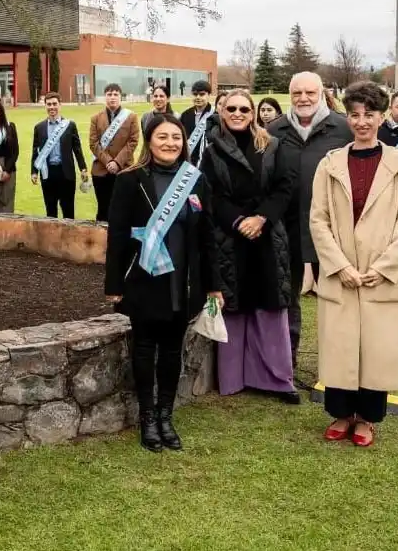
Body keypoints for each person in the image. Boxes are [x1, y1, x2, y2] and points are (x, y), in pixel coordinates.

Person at [309, 81, 398, 447]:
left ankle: (368, 419)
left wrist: (385, 266)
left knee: (376, 348)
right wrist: (338, 265)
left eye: (369, 115)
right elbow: (318, 220)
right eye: (354, 114)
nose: (361, 122)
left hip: (380, 276)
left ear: (381, 116)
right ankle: (342, 414)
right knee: (341, 345)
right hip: (342, 273)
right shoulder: (330, 165)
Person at [104, 114, 222, 452]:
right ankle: (147, 418)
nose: (170, 143)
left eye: (176, 137)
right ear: (149, 141)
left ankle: (166, 416)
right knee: (143, 349)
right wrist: (114, 283)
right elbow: (116, 237)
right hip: (144, 278)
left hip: (183, 281)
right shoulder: (130, 180)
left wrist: (213, 285)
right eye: (162, 137)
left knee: (172, 351)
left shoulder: (195, 180)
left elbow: (207, 237)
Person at [201, 90, 299, 403]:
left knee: (270, 306)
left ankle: (276, 379)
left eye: (245, 108)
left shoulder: (271, 144)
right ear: (221, 110)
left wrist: (261, 219)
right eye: (232, 108)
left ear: (254, 112)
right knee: (235, 305)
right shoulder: (211, 150)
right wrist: (238, 221)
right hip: (231, 238)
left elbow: (285, 187)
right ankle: (234, 377)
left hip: (267, 236)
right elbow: (210, 194)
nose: (238, 113)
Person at [266, 71, 353, 371]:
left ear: (321, 94)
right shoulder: (272, 130)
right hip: (285, 228)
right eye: (297, 93)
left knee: (334, 298)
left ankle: (336, 364)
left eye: (310, 93)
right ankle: (286, 361)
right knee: (286, 297)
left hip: (331, 230)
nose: (303, 99)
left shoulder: (343, 128)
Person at [30, 92, 89, 219]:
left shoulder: (70, 125)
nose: (52, 107)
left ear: (60, 105)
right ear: (45, 106)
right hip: (48, 173)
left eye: (54, 104)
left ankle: (69, 238)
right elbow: (36, 151)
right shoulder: (39, 128)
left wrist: (83, 169)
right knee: (50, 211)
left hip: (66, 173)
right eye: (49, 104)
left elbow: (77, 149)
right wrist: (34, 171)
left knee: (68, 211)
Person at [88, 84, 139, 222]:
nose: (112, 97)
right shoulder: (95, 118)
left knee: (123, 209)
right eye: (109, 94)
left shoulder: (131, 117)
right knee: (103, 209)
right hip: (100, 171)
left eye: (115, 94)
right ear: (105, 97)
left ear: (120, 97)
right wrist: (108, 161)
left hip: (124, 169)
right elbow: (93, 144)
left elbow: (133, 142)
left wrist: (117, 162)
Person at [180, 80, 215, 165]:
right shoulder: (185, 115)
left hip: (209, 162)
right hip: (189, 161)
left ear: (209, 95)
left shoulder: (215, 115)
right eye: (195, 94)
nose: (198, 97)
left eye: (202, 94)